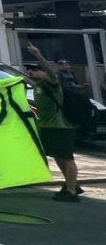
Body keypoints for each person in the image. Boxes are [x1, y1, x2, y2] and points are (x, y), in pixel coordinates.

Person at [27, 43, 81, 202]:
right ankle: (70, 184)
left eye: (35, 70)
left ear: (43, 72)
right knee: (58, 156)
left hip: (60, 126)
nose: (32, 72)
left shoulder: (52, 84)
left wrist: (38, 55)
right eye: (30, 70)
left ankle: (71, 191)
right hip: (47, 127)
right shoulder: (38, 86)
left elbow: (51, 72)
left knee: (67, 157)